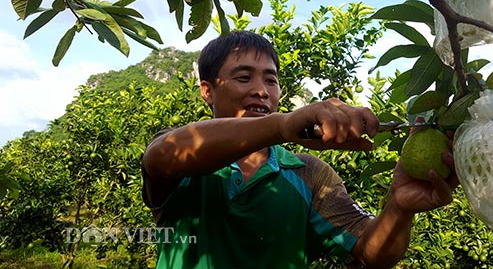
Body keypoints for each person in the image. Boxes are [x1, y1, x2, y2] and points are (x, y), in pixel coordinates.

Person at [142, 30, 458, 269]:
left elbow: (368, 252)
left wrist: (399, 208)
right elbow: (161, 156)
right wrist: (284, 126)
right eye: (243, 77)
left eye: (271, 80)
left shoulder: (308, 173)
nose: (261, 91)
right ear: (207, 91)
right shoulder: (181, 150)